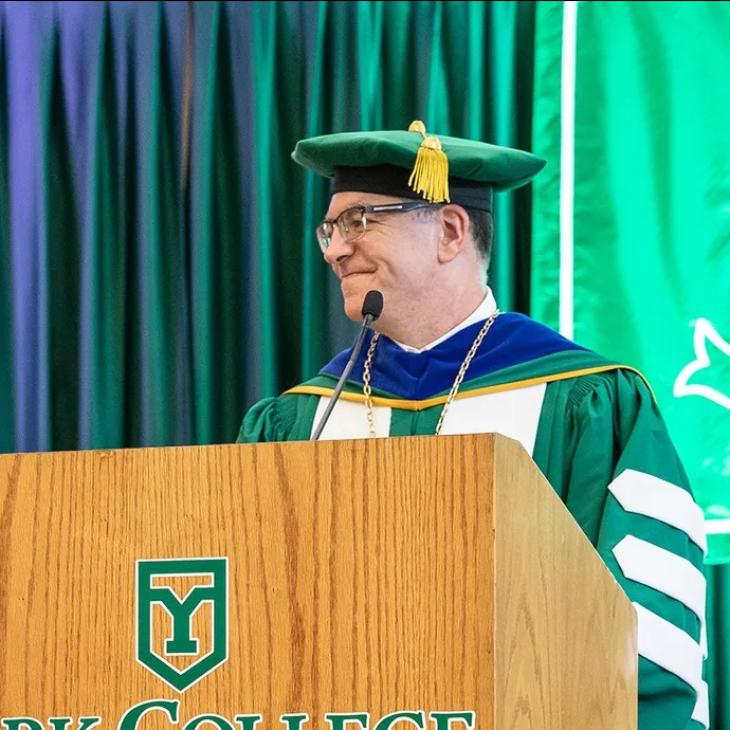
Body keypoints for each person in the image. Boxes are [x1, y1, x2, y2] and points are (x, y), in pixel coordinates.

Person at [237, 122, 708, 730]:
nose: (333, 250)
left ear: (451, 231)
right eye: (330, 229)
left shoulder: (586, 403)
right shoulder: (298, 419)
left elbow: (647, 630)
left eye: (360, 220)